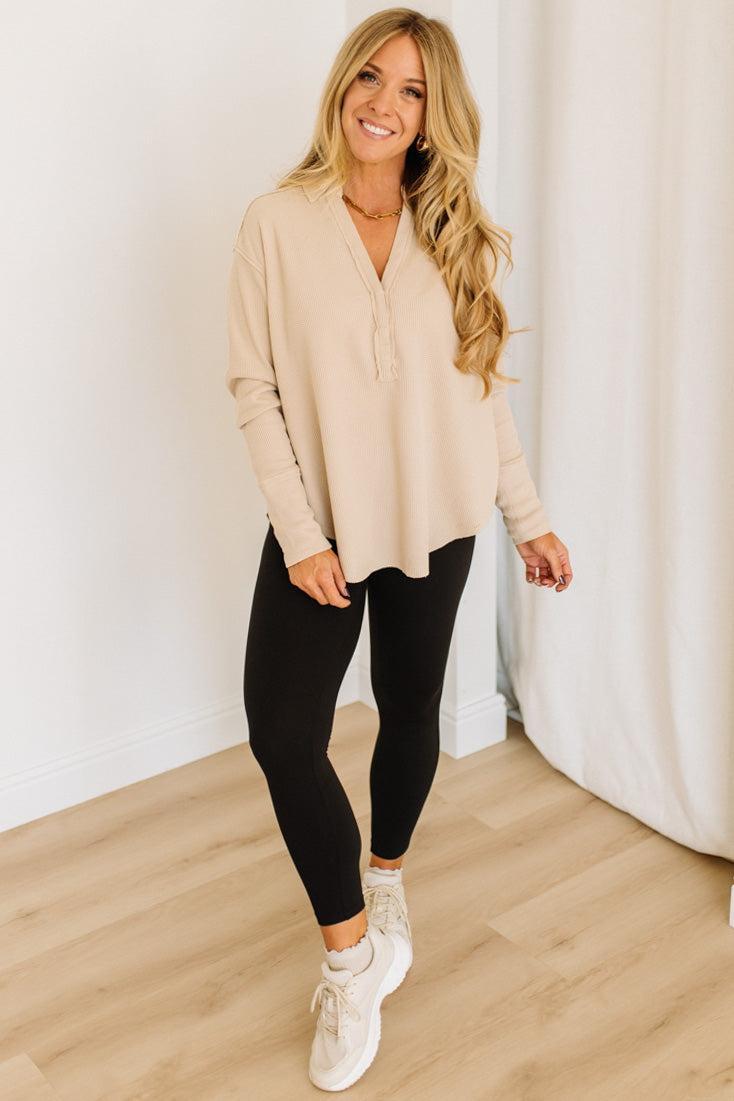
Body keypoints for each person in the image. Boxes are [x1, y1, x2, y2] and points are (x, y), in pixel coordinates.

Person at [225, 8, 573, 1092]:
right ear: (341, 87)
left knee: (408, 708)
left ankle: (385, 879)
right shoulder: (276, 223)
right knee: (284, 732)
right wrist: (300, 538)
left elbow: (481, 396)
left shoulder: (453, 225)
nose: (383, 101)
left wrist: (527, 517)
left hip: (440, 517)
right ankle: (350, 960)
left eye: (411, 90)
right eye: (368, 77)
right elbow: (256, 390)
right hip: (321, 526)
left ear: (434, 115)